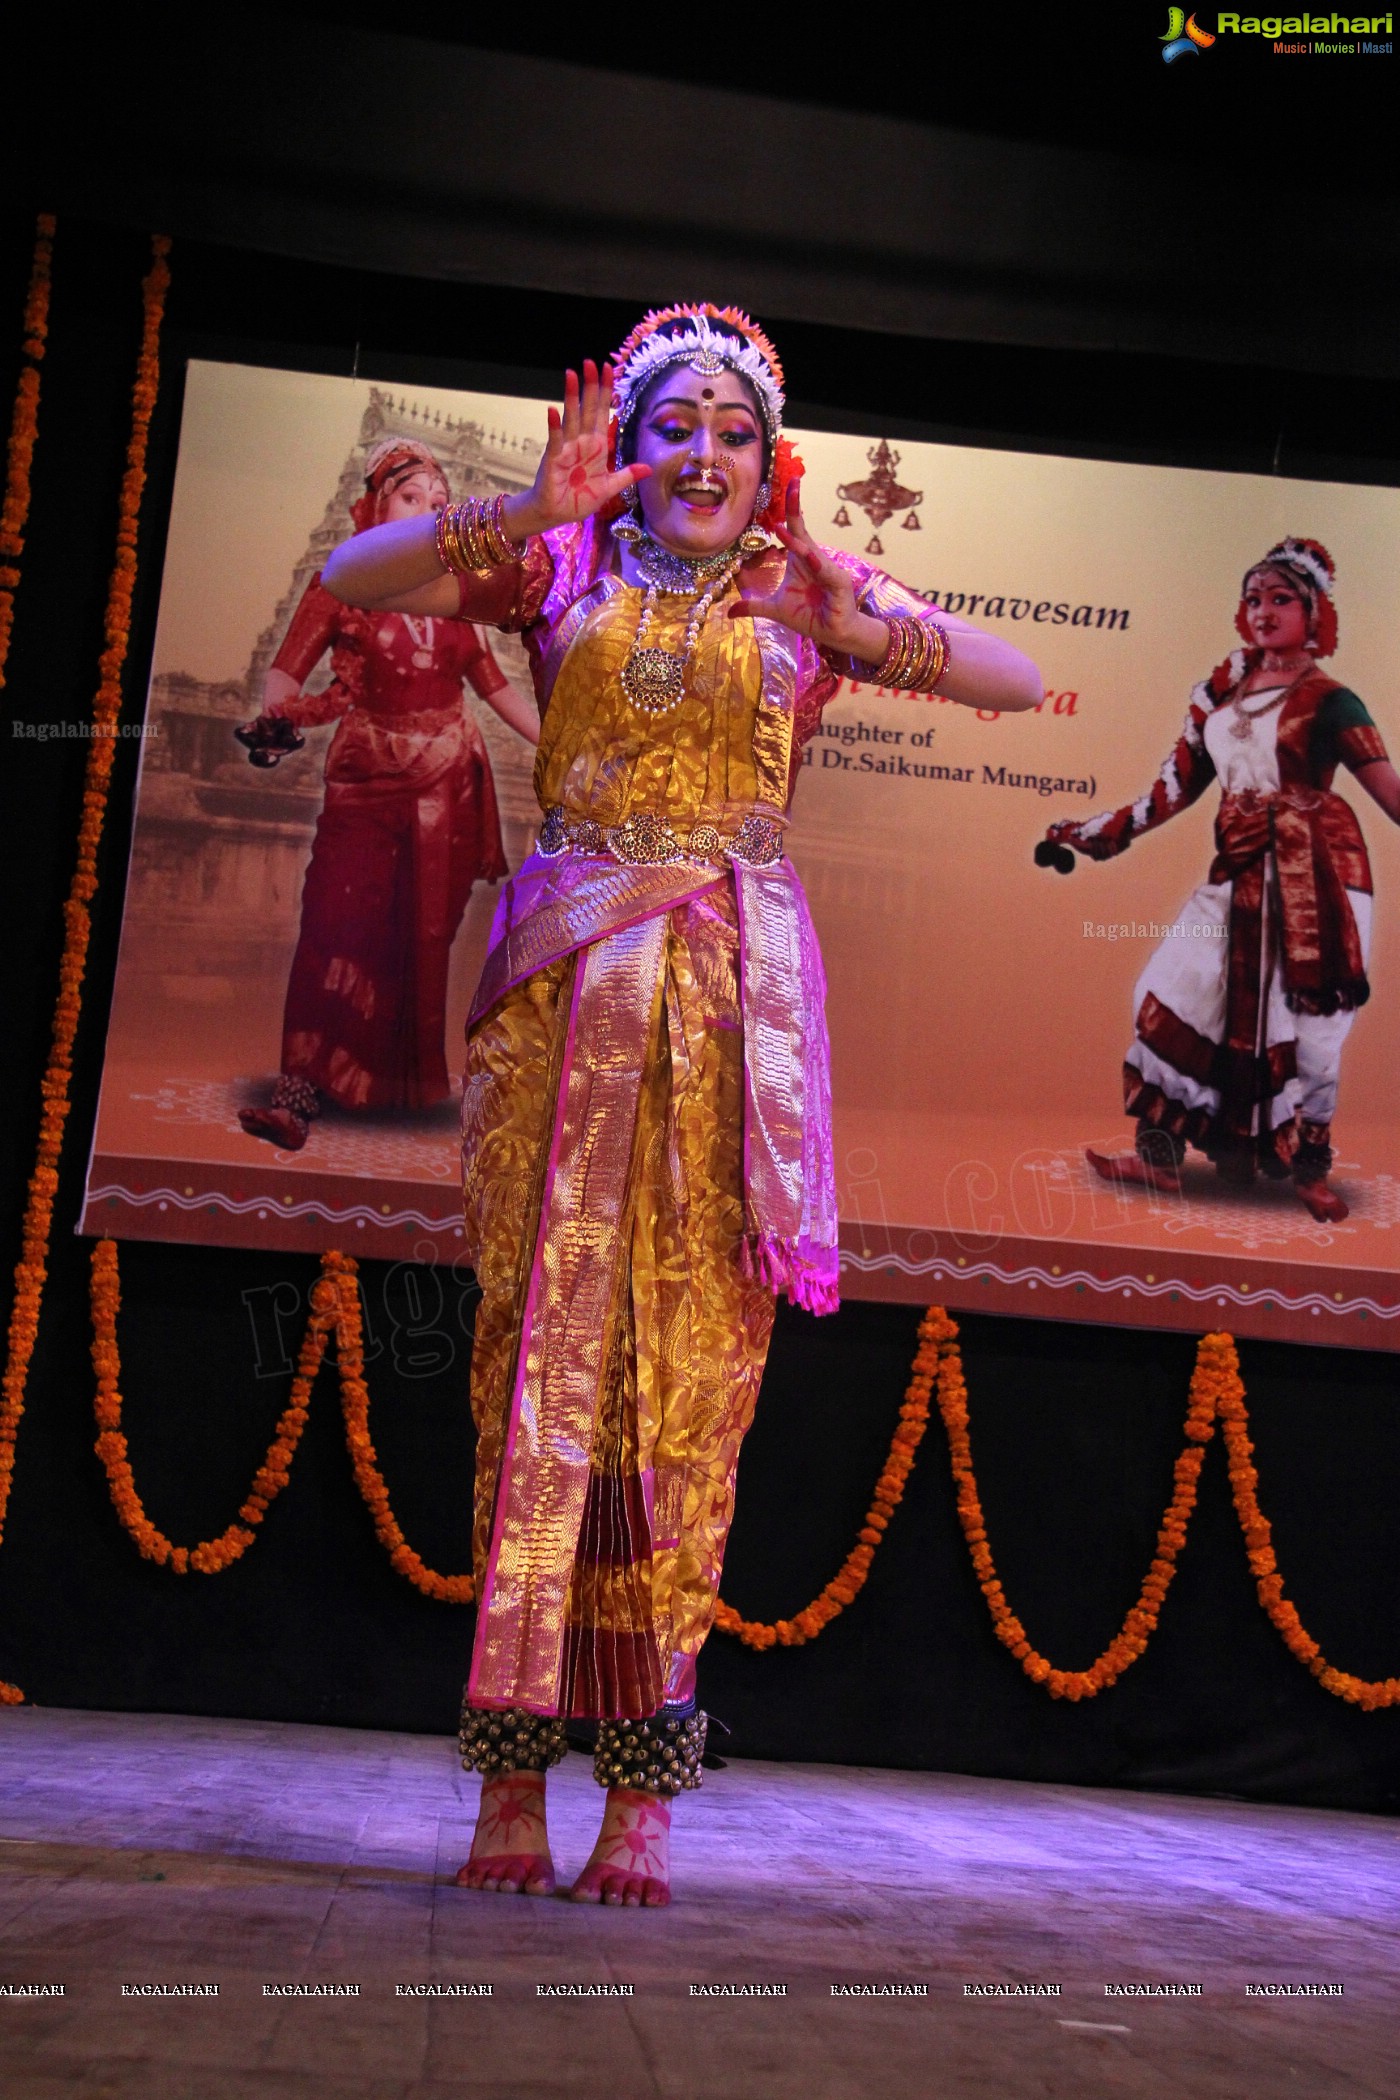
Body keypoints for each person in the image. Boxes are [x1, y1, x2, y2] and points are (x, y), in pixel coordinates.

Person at [323, 307, 1042, 1906]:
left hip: (728, 1024)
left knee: (689, 1388)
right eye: (671, 425)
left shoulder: (798, 602)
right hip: (558, 1018)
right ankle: (510, 1778)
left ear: (762, 457)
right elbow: (351, 585)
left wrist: (859, 613)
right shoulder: (561, 572)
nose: (701, 452)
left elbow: (1023, 674)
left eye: (731, 428)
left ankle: (643, 1793)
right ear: (627, 447)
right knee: (535, 1368)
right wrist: (531, 506)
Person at [1042, 538, 1399, 1222]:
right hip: (1237, 868)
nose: (1264, 612)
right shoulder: (1221, 693)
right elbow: (1175, 789)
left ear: (1314, 611)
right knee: (1174, 989)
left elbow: (1388, 791)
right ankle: (1159, 1157)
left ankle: (1309, 1170)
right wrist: (1101, 829)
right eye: (1255, 599)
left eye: (1281, 599)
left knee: (1308, 1028)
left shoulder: (1333, 701)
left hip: (1313, 878)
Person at [237, 438, 540, 1151]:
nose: (427, 515)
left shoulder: (456, 597)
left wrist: (571, 745)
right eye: (411, 499)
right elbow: (287, 673)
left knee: (421, 933)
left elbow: (498, 694)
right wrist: (277, 713)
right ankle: (295, 1092)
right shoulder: (342, 583)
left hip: (445, 786)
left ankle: (395, 1086)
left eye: (439, 505)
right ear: (376, 505)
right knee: (334, 924)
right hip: (365, 780)